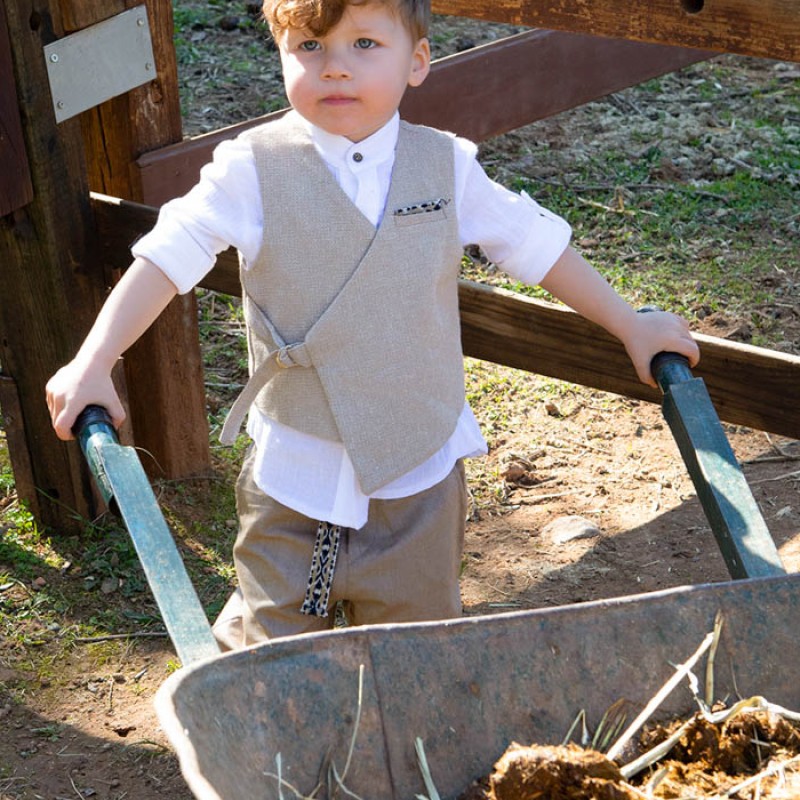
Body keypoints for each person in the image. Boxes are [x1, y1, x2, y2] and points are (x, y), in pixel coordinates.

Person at [46, 0, 699, 649]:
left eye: (363, 45)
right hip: (296, 483)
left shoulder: (444, 167)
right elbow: (167, 255)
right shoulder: (252, 169)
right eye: (310, 47)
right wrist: (95, 359)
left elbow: (535, 246)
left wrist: (628, 324)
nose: (334, 69)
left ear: (416, 61)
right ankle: (263, 704)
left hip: (415, 482)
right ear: (279, 55)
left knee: (414, 650)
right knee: (278, 653)